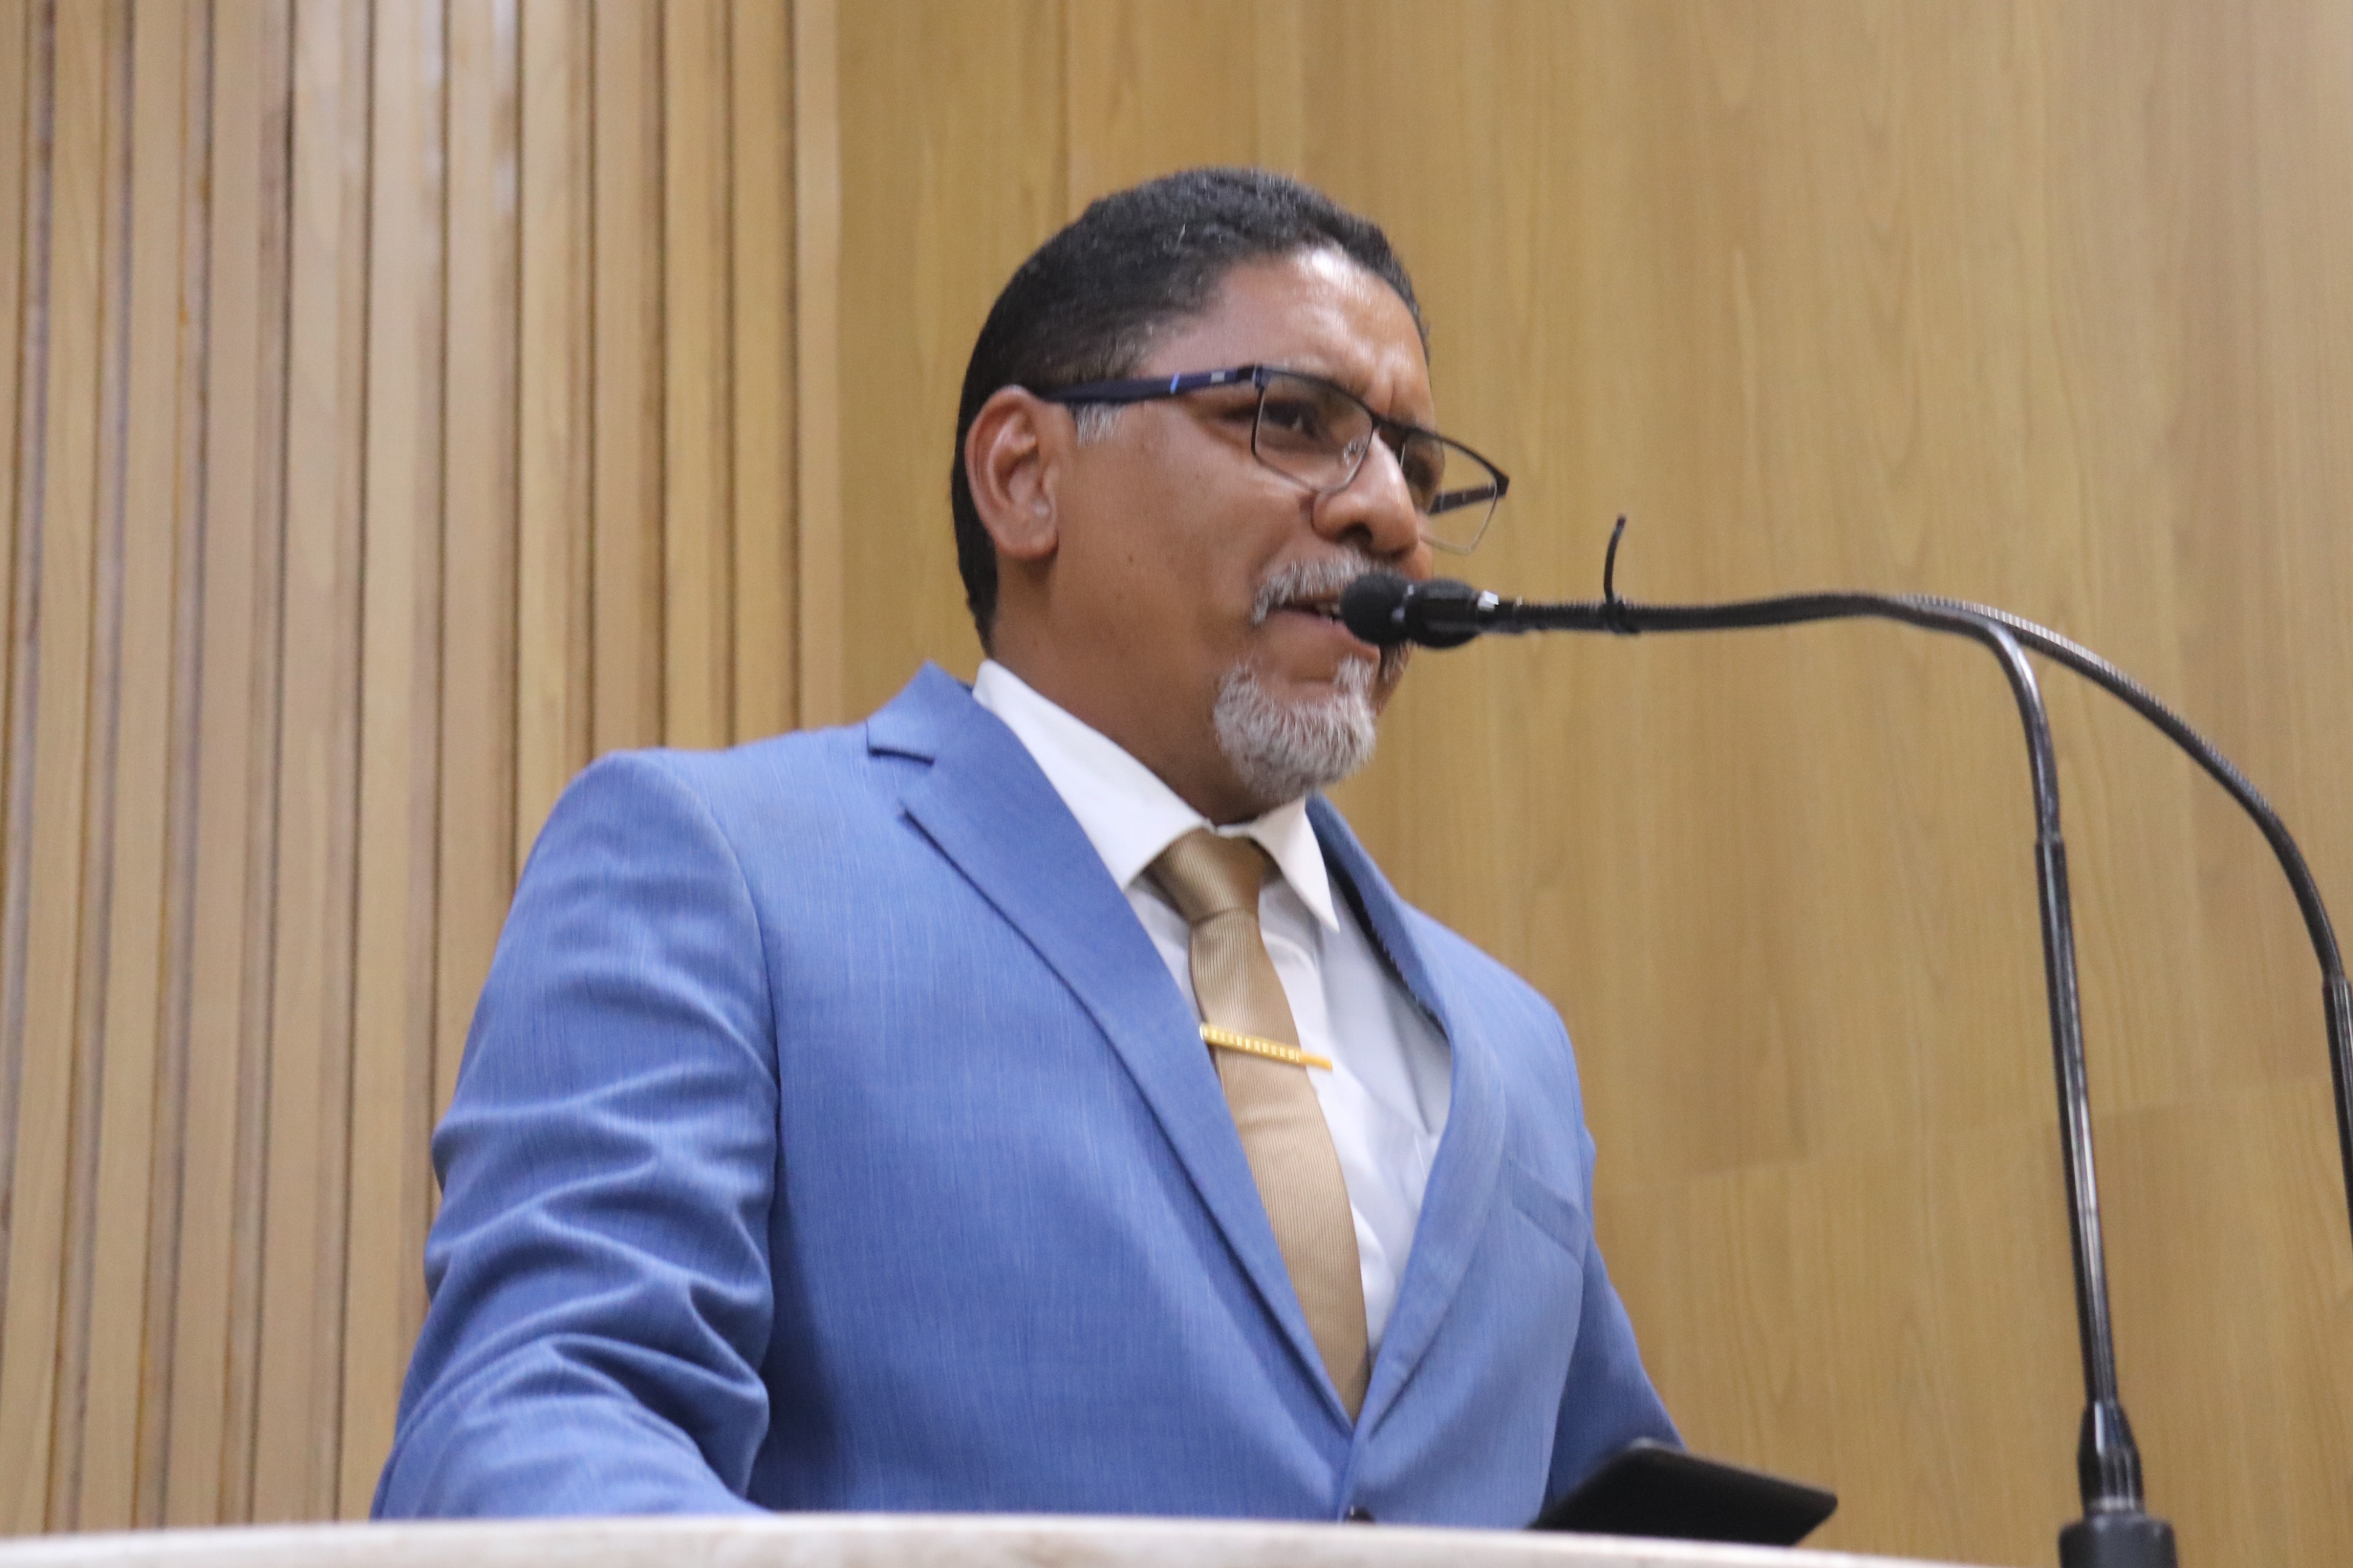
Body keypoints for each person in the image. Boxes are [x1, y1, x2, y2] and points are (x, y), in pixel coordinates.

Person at [374, 167, 1675, 1526]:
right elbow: (534, 1435)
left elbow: (1629, 1524)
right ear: (1024, 476)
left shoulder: (1514, 1043)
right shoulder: (720, 874)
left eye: (1417, 470)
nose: (1392, 519)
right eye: (1294, 421)